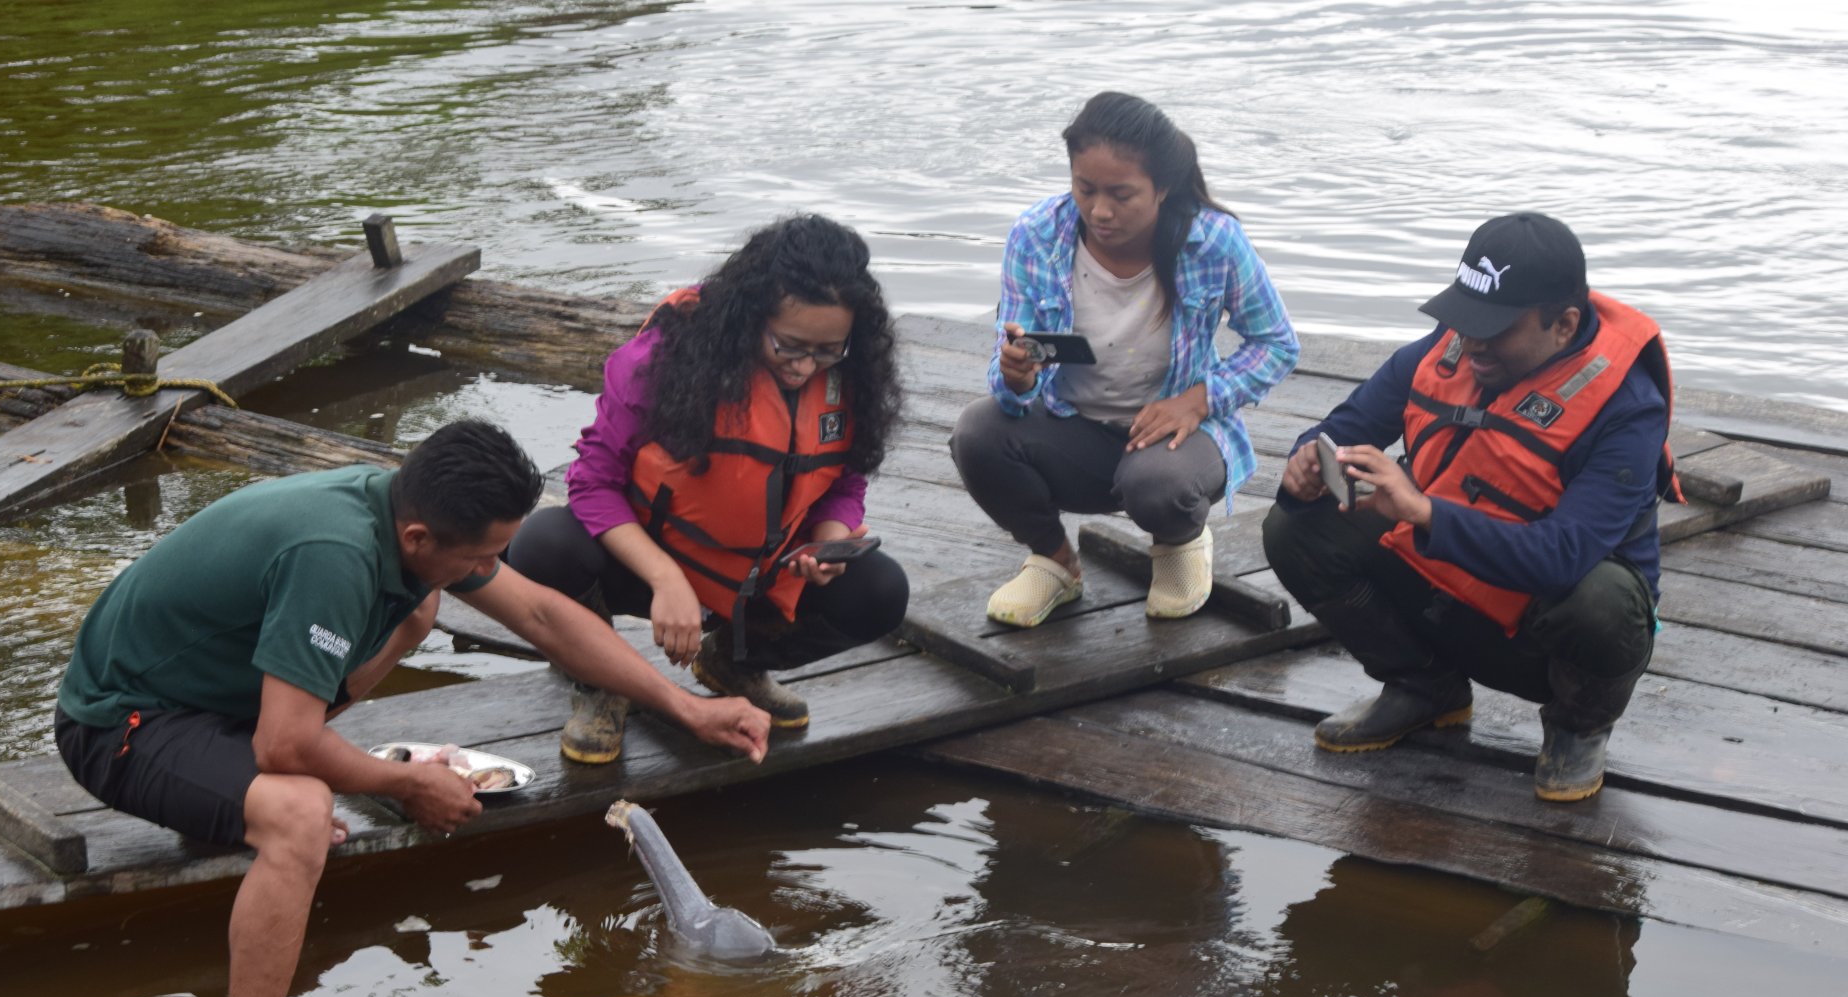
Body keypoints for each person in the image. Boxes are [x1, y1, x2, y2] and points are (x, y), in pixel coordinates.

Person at [53, 418, 769, 997]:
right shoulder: (333, 554)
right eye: (480, 556)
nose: (485, 570)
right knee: (299, 810)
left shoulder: (403, 519)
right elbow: (285, 743)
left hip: (215, 707)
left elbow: (546, 617)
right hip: (120, 723)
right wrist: (404, 784)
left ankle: (238, 819)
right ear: (420, 537)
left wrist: (687, 709)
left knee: (414, 618)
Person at [1262, 212, 1682, 801]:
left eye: (1496, 327)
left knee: (1604, 601)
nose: (1473, 341)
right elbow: (1347, 426)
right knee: (1295, 529)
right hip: (1447, 596)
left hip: (1546, 638)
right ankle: (1423, 687)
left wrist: (1424, 511)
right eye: (1464, 319)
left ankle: (1577, 728)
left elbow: (1563, 557)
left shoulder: (1627, 408)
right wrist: (1308, 462)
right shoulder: (1451, 349)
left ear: (1563, 325)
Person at [507, 213, 909, 764]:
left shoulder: (852, 372)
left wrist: (829, 541)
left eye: (825, 351)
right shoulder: (663, 360)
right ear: (752, 315)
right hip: (649, 565)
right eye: (789, 346)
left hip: (758, 576)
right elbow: (592, 483)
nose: (805, 366)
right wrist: (664, 577)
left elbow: (845, 478)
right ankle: (600, 681)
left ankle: (733, 663)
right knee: (541, 544)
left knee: (880, 591)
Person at [951, 90, 1299, 628]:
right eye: (1084, 189)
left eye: (1121, 194)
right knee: (976, 432)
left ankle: (1180, 542)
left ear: (1162, 189)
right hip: (1075, 429)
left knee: (1157, 484)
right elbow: (1009, 379)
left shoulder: (1213, 241)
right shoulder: (1036, 235)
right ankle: (1054, 561)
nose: (1100, 210)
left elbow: (1276, 343)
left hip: (1175, 444)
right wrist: (1016, 377)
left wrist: (1198, 400)